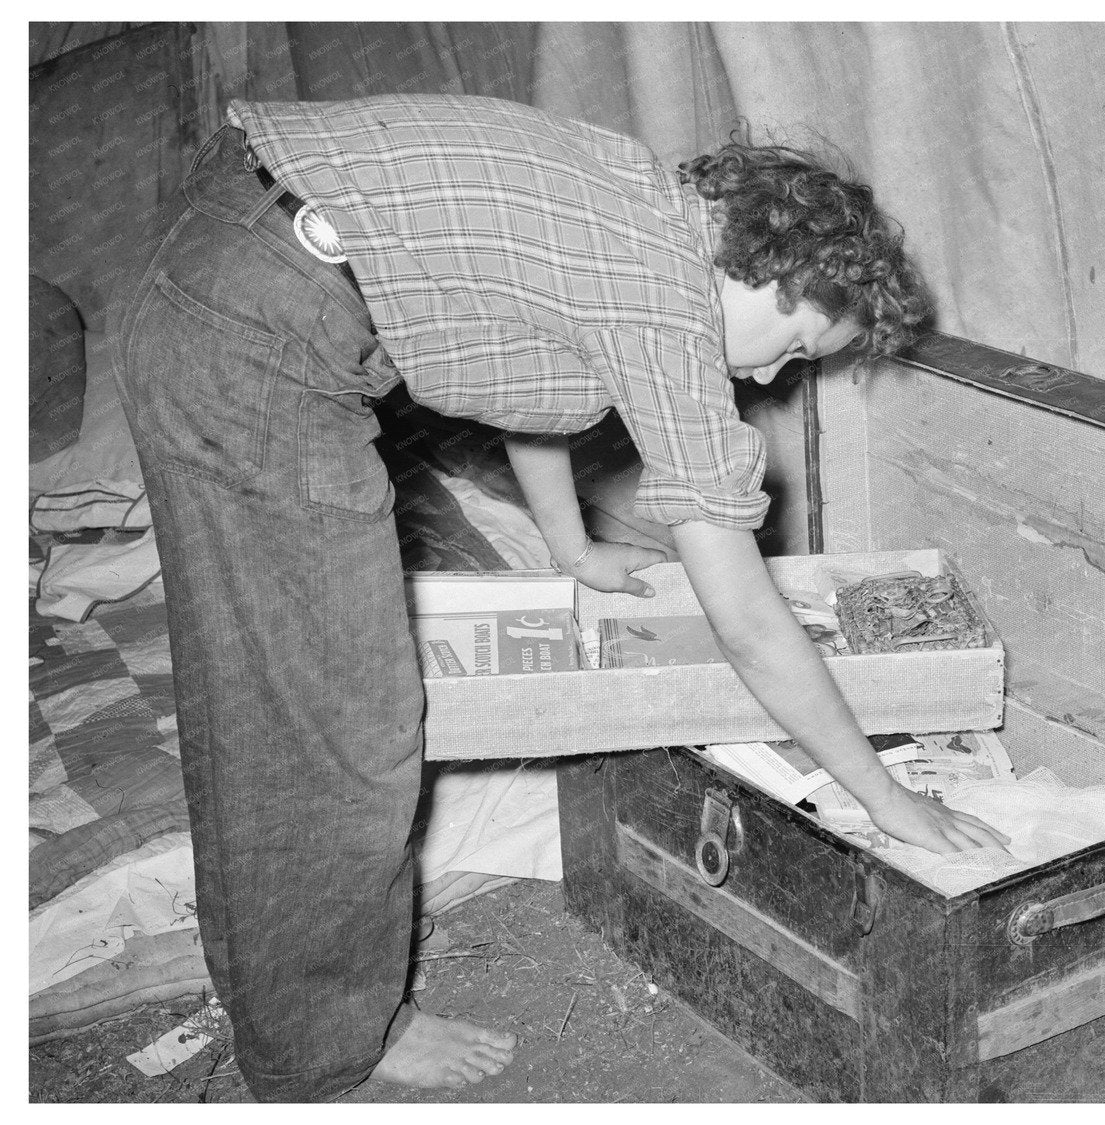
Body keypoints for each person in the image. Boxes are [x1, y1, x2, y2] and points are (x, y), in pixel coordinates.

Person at [113, 93, 1009, 1102]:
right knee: (343, 727)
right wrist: (885, 801)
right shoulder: (669, 299)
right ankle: (327, 1046)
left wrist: (569, 542)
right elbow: (750, 623)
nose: (768, 374)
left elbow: (522, 369)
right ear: (770, 269)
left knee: (268, 692)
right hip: (261, 337)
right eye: (794, 346)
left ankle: (299, 972)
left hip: (230, 254)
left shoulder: (637, 199)